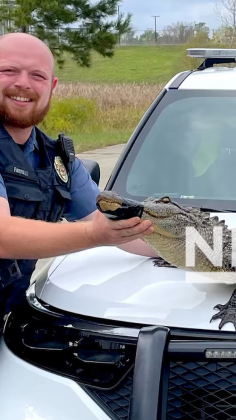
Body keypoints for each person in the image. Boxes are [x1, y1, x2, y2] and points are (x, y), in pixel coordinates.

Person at [0, 32, 156, 318]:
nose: (23, 83)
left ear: (52, 86)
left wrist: (202, 249)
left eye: (37, 75)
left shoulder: (57, 159)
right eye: (8, 70)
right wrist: (92, 234)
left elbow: (118, 227)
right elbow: (2, 236)